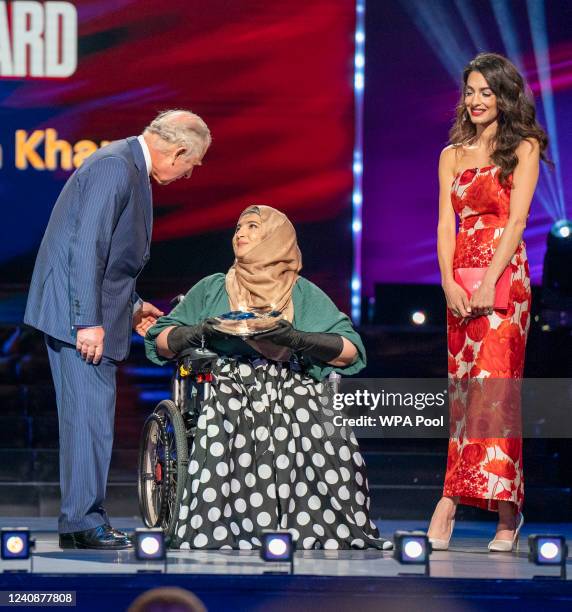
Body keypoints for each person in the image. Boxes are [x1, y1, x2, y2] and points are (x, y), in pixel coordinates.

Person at [145, 205, 391, 551]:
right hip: (230, 382)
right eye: (238, 227)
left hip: (292, 382)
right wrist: (201, 329)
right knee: (232, 403)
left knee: (313, 413)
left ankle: (310, 523)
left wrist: (295, 339)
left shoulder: (301, 292)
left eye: (252, 227)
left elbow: (350, 350)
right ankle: (227, 526)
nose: (239, 233)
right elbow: (160, 340)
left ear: (276, 238)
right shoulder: (214, 288)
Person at [24, 109, 212, 549]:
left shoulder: (130, 167)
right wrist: (87, 320)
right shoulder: (114, 167)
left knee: (91, 419)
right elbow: (85, 248)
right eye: (191, 164)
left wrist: (130, 305)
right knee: (88, 420)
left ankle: (81, 521)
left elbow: (111, 257)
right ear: (179, 150)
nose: (188, 174)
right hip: (78, 317)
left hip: (96, 310)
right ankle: (84, 522)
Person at [427, 53, 550, 552]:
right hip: (461, 280)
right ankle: (471, 497)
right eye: (471, 92)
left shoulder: (524, 146)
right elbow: (444, 225)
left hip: (504, 279)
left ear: (504, 96)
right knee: (464, 396)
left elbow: (517, 222)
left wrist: (488, 281)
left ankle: (490, 510)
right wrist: (448, 281)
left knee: (495, 394)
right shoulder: (451, 154)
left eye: (487, 92)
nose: (476, 101)